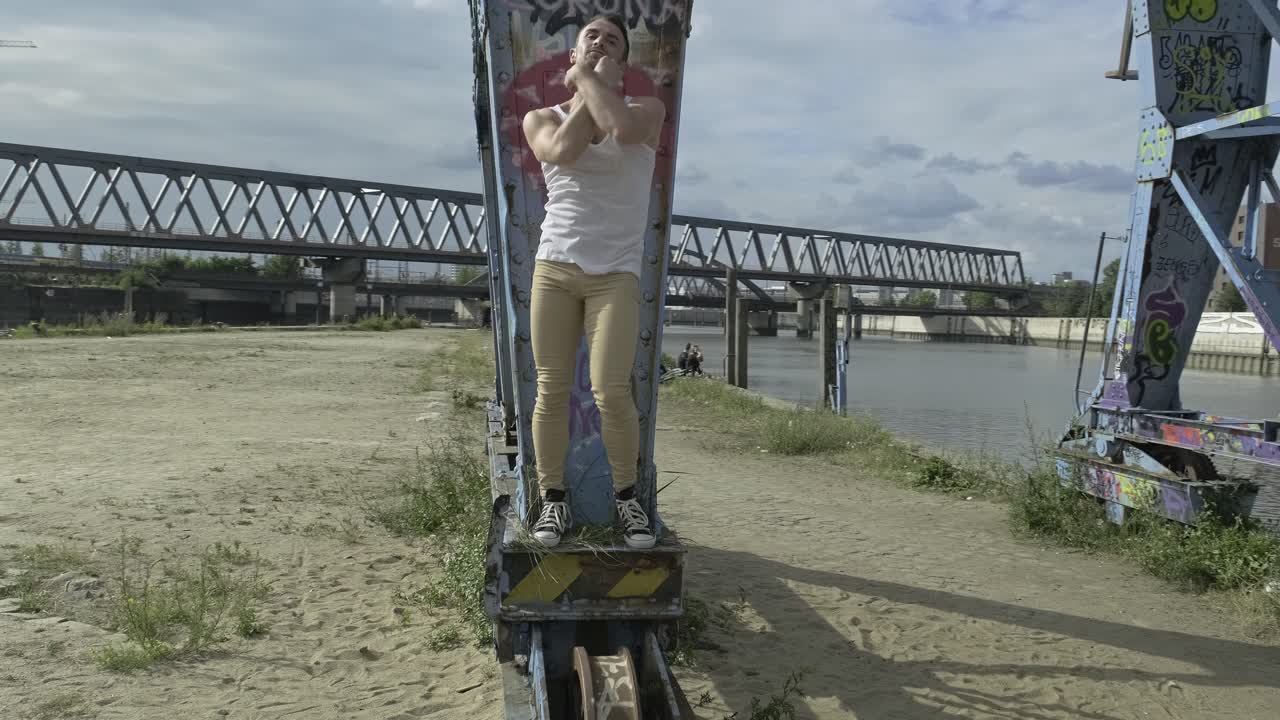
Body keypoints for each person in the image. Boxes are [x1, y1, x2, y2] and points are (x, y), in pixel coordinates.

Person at [521, 14, 666, 550]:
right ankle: (552, 500)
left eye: (612, 40)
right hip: (555, 268)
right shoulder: (541, 118)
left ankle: (628, 499)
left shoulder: (647, 111)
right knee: (552, 390)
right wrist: (589, 83)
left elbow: (622, 131)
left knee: (610, 390)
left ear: (622, 61)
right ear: (575, 49)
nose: (600, 42)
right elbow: (562, 150)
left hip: (616, 276)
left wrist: (585, 79)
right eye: (592, 36)